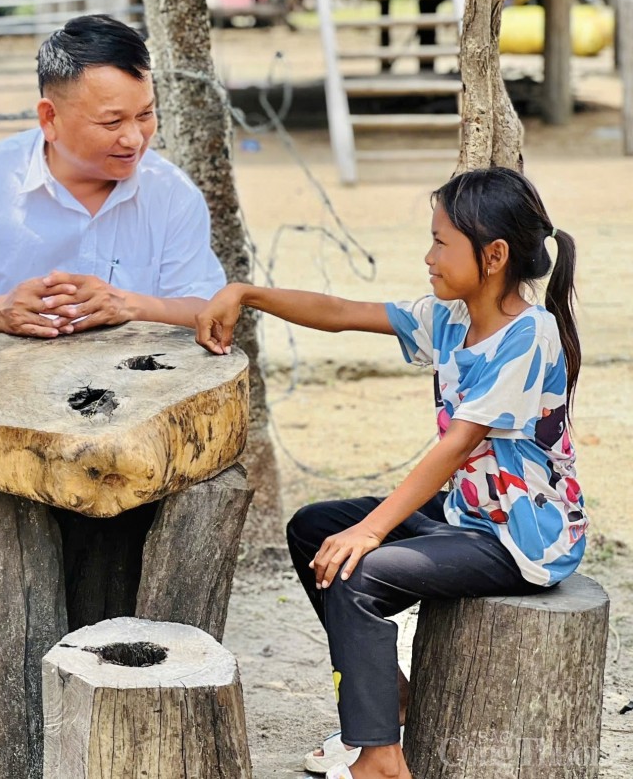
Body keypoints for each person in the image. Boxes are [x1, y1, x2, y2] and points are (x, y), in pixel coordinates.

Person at [0, 13, 227, 739]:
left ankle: (121, 673)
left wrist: (131, 304)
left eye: (146, 116)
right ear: (49, 115)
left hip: (134, 420)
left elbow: (208, 312)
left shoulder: (170, 194)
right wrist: (0, 311)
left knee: (146, 500)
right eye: (112, 122)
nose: (134, 138)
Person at [195, 167, 586, 779]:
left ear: (495, 256)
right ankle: (391, 697)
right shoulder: (453, 318)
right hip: (466, 518)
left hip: (519, 541)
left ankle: (380, 759)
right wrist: (248, 294)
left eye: (440, 241)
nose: (427, 255)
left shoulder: (528, 337)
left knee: (356, 569)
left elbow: (456, 448)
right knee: (313, 529)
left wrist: (372, 530)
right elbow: (341, 312)